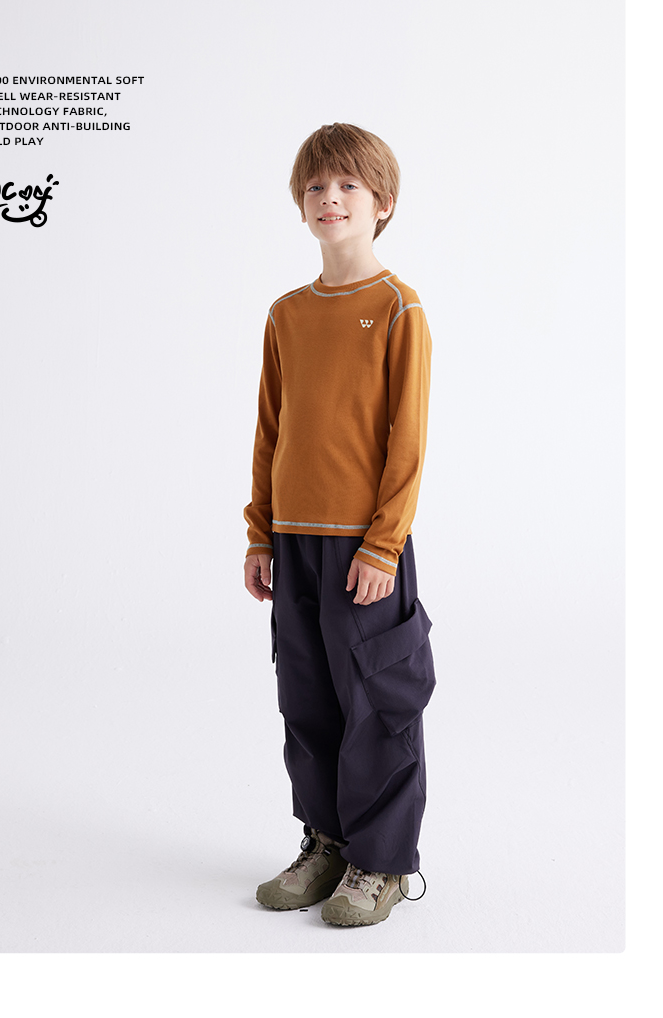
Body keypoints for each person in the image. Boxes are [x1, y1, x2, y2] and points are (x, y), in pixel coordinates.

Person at [243, 122, 435, 928]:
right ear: (301, 204)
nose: (331, 197)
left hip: (365, 548)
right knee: (308, 698)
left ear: (381, 202)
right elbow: (270, 428)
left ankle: (380, 862)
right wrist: (260, 532)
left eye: (349, 185)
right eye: (317, 186)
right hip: (293, 541)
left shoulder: (397, 307)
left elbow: (407, 440)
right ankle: (325, 842)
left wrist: (383, 545)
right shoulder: (286, 314)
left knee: (378, 701)